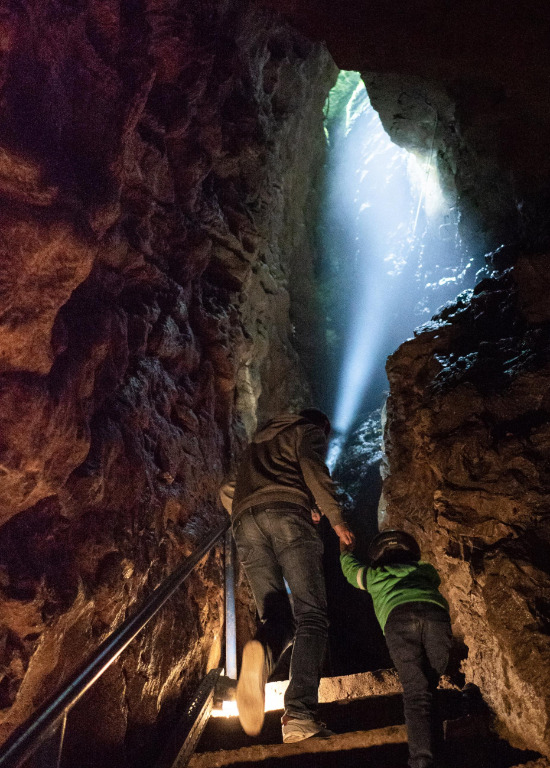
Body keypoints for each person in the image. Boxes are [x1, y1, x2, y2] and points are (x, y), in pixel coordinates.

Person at [220, 408, 354, 743]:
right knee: (312, 615)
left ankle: (262, 654)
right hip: (287, 517)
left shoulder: (256, 445)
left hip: (245, 523)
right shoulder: (307, 430)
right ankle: (299, 713)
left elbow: (228, 488)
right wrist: (336, 519)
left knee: (277, 616)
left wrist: (245, 514)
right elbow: (312, 467)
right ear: (321, 427)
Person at [340, 529, 452, 768]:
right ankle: (438, 749)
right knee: (430, 684)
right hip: (436, 615)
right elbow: (435, 581)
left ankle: (422, 761)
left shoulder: (374, 576)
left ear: (377, 555)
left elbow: (351, 572)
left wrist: (345, 552)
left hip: (398, 619)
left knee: (416, 691)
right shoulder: (425, 570)